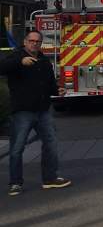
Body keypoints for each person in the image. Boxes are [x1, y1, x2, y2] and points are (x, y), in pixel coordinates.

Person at [1, 29, 71, 195]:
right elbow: (2, 68)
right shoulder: (16, 56)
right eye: (31, 41)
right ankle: (15, 182)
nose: (34, 44)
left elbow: (49, 83)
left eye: (38, 41)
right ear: (25, 42)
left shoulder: (44, 61)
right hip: (23, 112)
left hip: (43, 110)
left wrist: (57, 90)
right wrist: (20, 62)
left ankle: (50, 178)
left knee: (51, 143)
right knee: (17, 147)